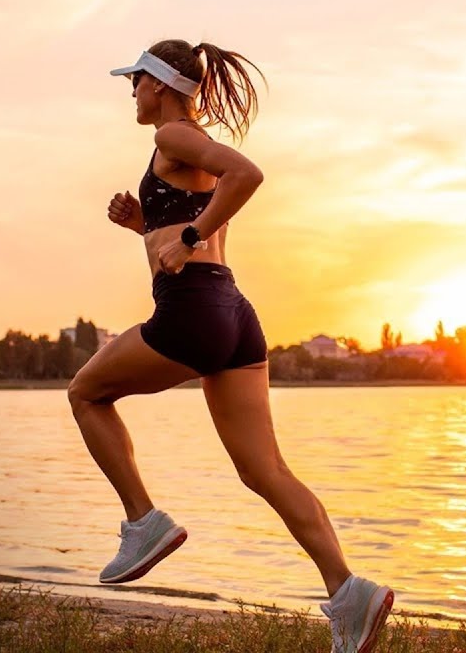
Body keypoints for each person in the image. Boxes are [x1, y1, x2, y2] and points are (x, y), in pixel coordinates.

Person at [66, 39, 393, 653]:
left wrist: (185, 237)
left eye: (133, 82)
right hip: (234, 313)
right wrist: (147, 224)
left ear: (158, 85)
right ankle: (351, 594)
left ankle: (144, 522)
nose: (129, 94)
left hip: (192, 310)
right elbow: (211, 202)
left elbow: (248, 174)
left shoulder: (174, 136)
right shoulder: (182, 152)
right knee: (263, 470)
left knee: (85, 392)